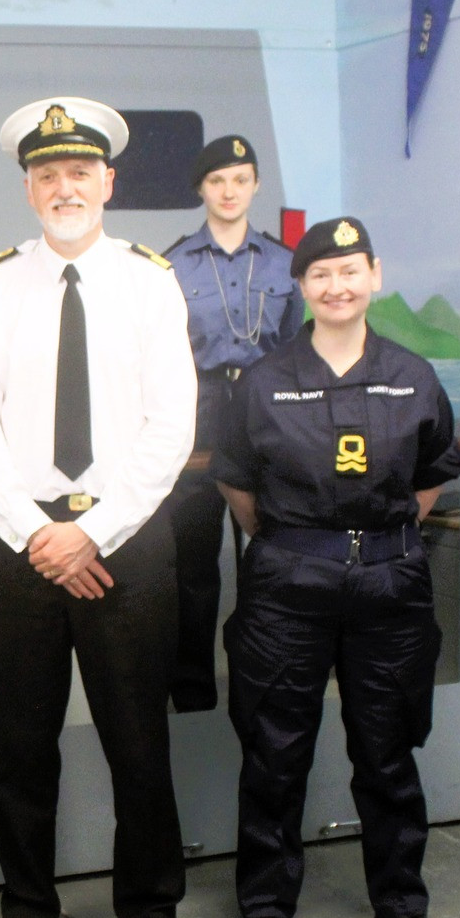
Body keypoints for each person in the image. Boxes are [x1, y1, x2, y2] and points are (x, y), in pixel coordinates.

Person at [0, 97, 201, 918]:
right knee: (22, 741)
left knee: (139, 737)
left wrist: (89, 531)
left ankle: (153, 911)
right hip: (20, 546)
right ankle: (27, 911)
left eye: (80, 173)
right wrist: (36, 534)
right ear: (28, 187)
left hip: (124, 539)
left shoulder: (148, 279)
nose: (66, 188)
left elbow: (171, 425)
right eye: (49, 174)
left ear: (109, 182)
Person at [214, 216, 460, 918]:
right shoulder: (262, 381)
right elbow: (237, 482)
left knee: (388, 752)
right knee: (274, 750)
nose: (337, 286)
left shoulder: (414, 374)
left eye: (350, 271)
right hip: (290, 578)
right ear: (301, 287)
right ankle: (265, 907)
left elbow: (429, 477)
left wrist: (369, 541)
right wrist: (311, 543)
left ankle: (401, 903)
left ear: (375, 276)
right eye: (321, 275)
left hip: (389, 579)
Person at [158, 135, 304, 713]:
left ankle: (263, 685)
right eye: (217, 181)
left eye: (240, 180)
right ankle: (191, 694)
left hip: (268, 409)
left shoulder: (283, 260)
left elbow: (294, 344)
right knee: (192, 566)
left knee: (270, 557)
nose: (228, 191)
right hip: (197, 409)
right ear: (201, 189)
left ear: (256, 186)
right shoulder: (170, 263)